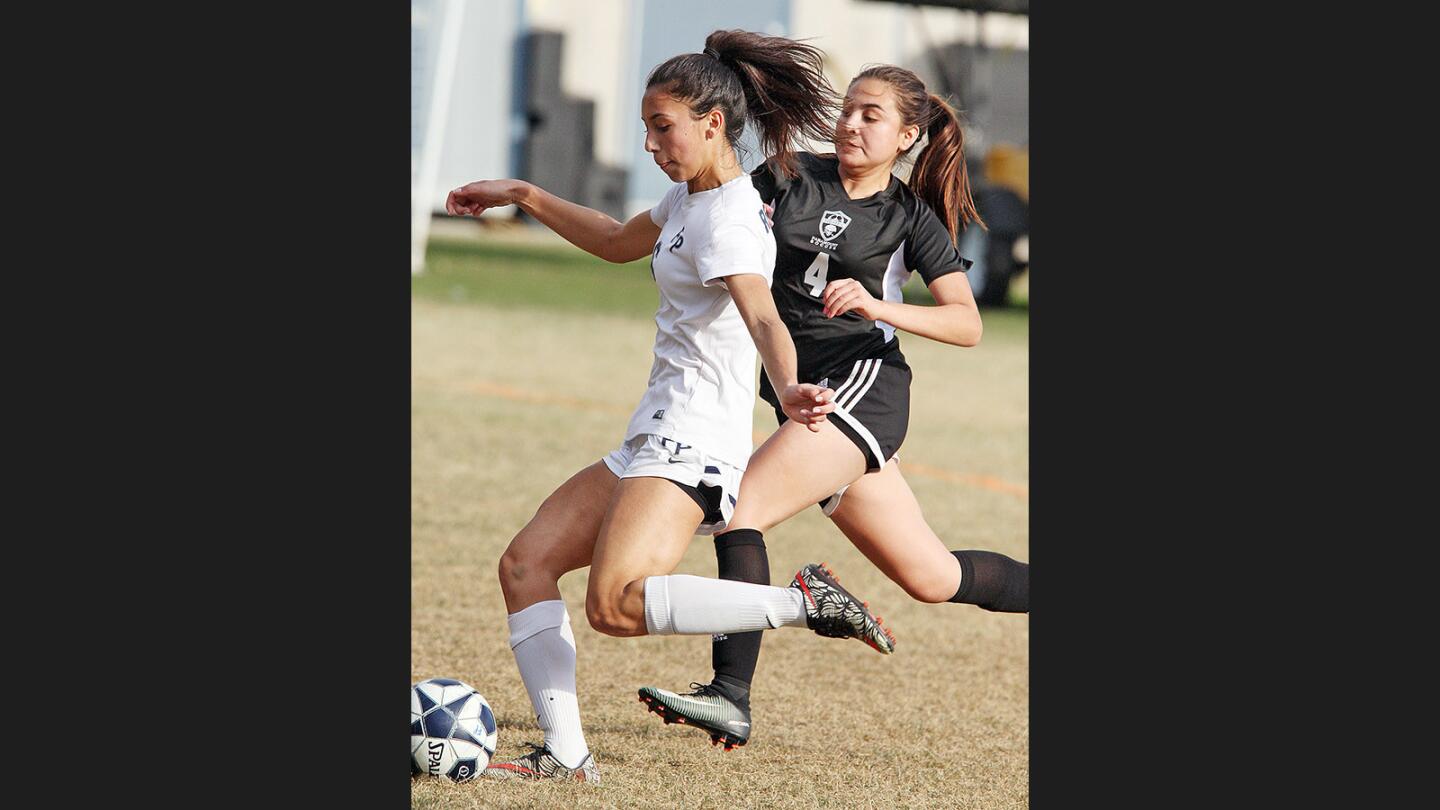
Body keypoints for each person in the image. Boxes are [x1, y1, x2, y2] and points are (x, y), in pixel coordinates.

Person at [442, 31, 898, 785]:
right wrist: (523, 194)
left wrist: (787, 387)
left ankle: (800, 603)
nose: (651, 143)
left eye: (663, 127)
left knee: (615, 605)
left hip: (690, 438)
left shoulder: (727, 218)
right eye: (647, 128)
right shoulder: (690, 197)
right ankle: (564, 753)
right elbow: (621, 241)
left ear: (712, 123)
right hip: (653, 430)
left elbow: (762, 319)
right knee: (525, 565)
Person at [636, 64, 1031, 751]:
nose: (851, 123)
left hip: (861, 390)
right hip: (811, 404)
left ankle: (731, 696)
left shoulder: (909, 216)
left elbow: (967, 324)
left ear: (907, 135)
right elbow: (718, 209)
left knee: (741, 510)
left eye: (871, 115)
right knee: (932, 577)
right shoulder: (789, 176)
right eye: (848, 109)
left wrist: (879, 304)